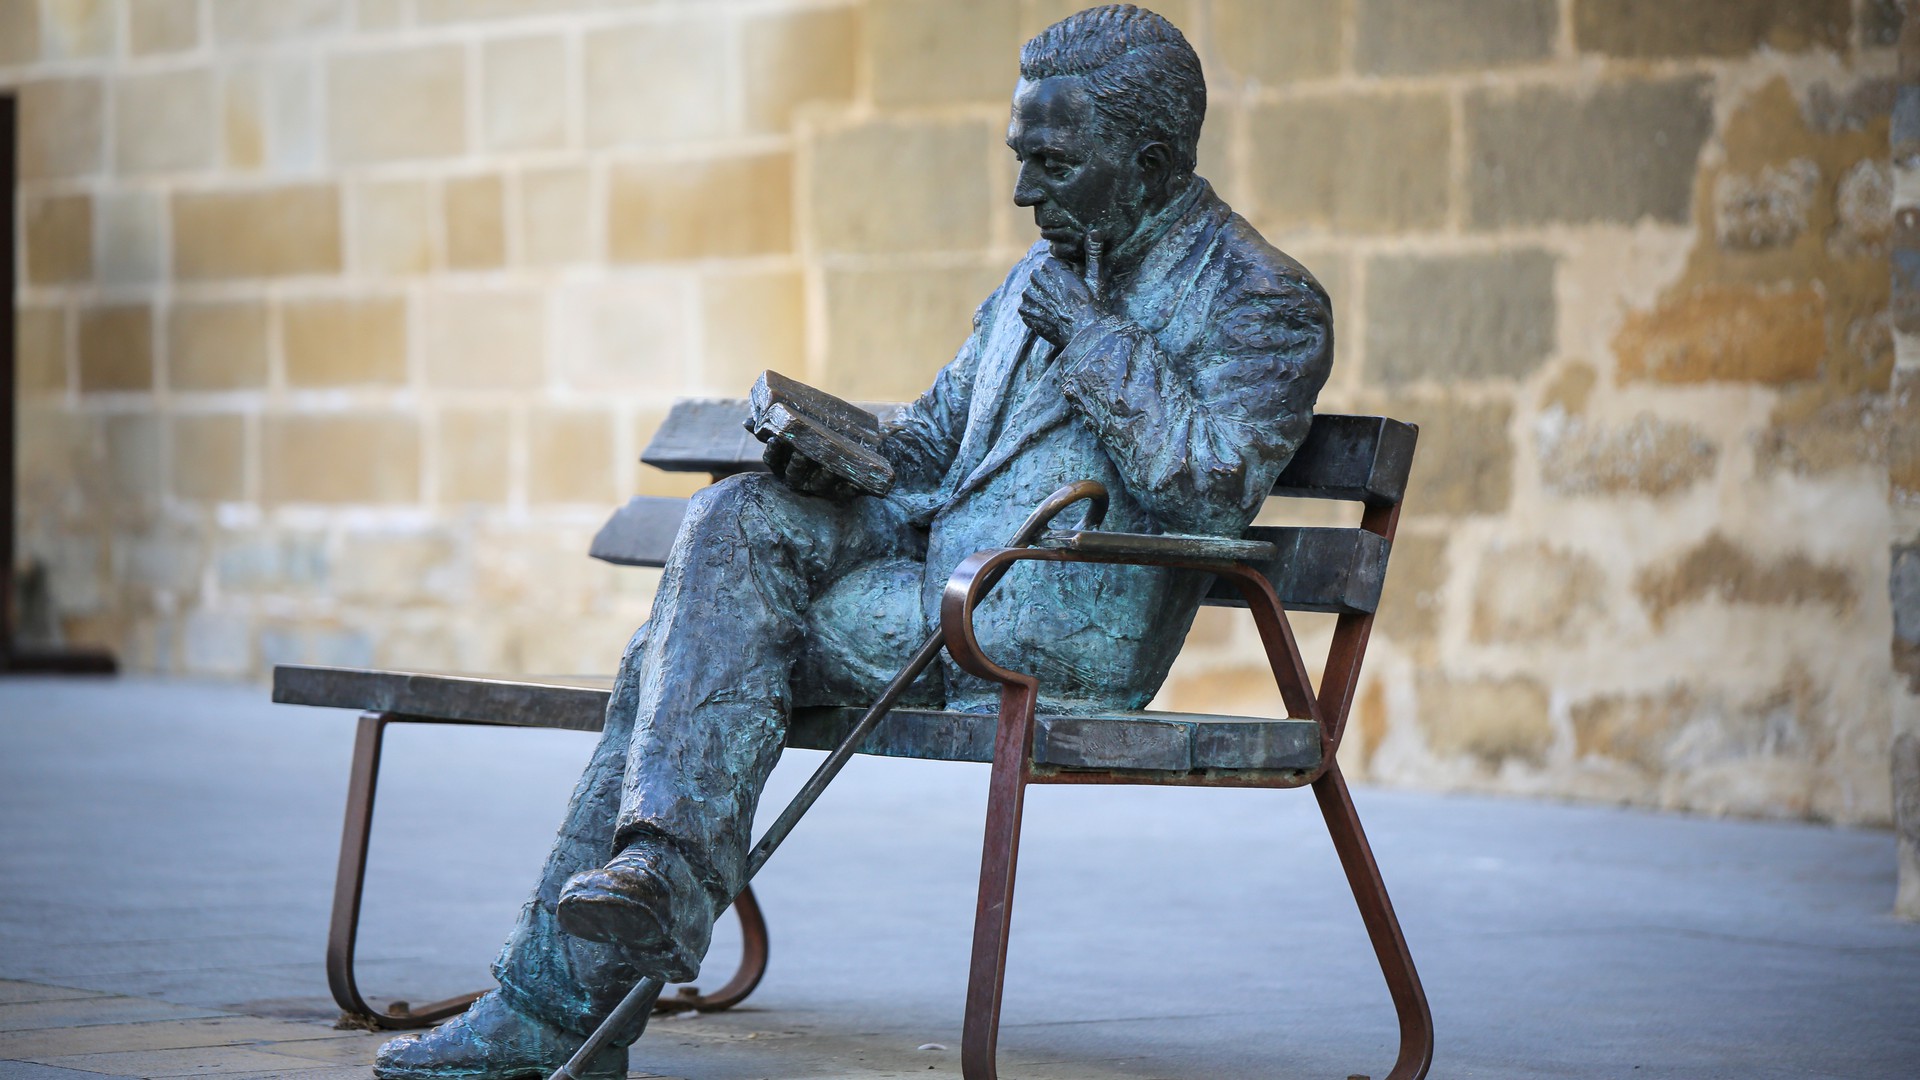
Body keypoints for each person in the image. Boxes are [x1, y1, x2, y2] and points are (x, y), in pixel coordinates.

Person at [374, 5, 1333, 1077]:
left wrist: (1093, 336)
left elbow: (1210, 493)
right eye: (1020, 158)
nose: (1024, 194)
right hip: (936, 596)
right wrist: (834, 459)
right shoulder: (1040, 272)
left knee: (680, 656)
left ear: (1150, 161)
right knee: (733, 520)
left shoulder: (1262, 299)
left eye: (1054, 165)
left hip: (1040, 624)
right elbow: (933, 441)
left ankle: (559, 999)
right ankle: (644, 892)